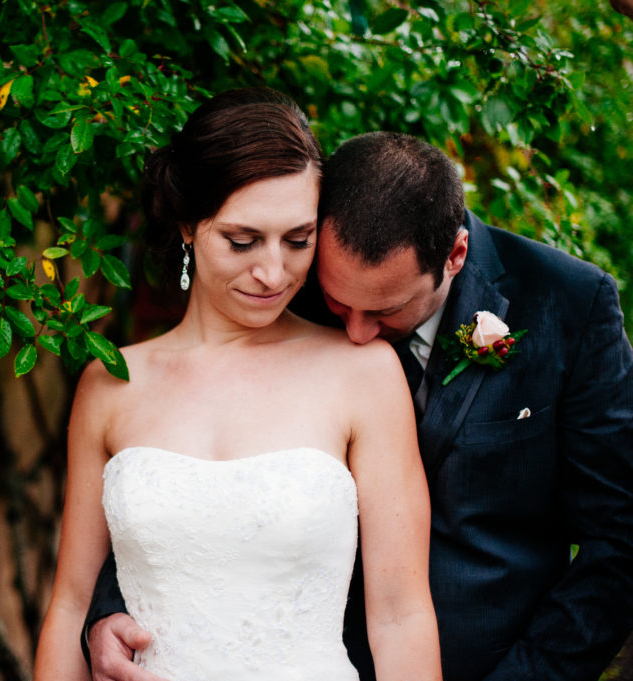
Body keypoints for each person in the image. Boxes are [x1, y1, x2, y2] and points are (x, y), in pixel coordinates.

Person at [86, 131, 633, 681]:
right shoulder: (288, 283)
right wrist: (113, 607)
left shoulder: (570, 305)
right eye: (337, 303)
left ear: (456, 256)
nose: (355, 331)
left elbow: (620, 540)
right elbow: (189, 469)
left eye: (386, 310)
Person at [33, 88, 442, 681]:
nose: (274, 273)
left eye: (298, 241)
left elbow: (401, 614)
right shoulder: (111, 384)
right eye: (242, 241)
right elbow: (69, 603)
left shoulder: (364, 374)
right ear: (187, 228)